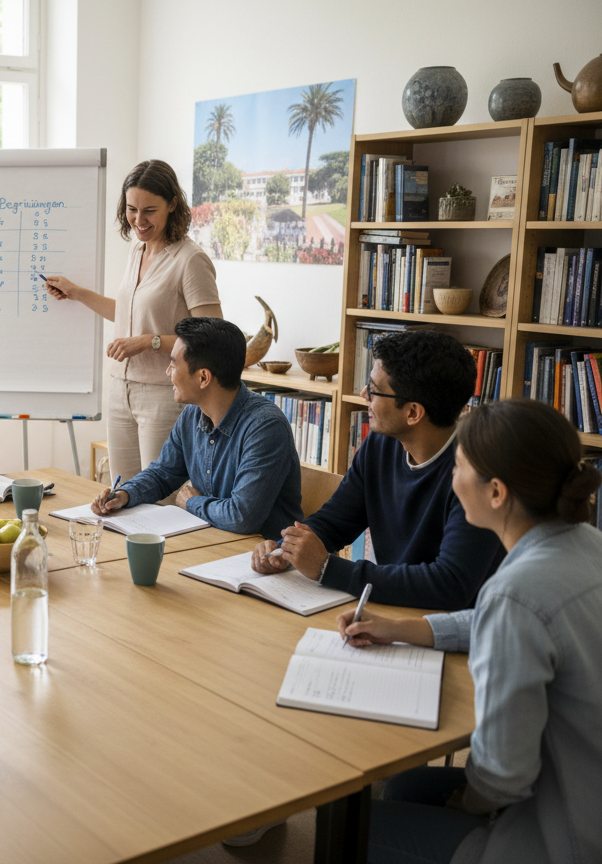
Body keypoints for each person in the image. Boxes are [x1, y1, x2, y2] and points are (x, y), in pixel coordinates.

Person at [337, 399, 602, 864]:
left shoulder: (514, 593)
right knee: (405, 784)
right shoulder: (586, 544)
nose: (450, 480)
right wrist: (401, 628)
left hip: (563, 834)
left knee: (349, 830)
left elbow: (504, 773)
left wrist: (471, 804)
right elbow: (506, 621)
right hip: (582, 783)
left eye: (457, 466)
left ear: (496, 492)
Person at [251, 329, 503, 610]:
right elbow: (336, 521)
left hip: (454, 630)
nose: (363, 394)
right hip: (391, 610)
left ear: (412, 413)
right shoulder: (380, 445)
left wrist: (326, 568)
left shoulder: (478, 473)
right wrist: (285, 545)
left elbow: (450, 584)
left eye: (373, 389)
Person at [43, 159, 222, 483]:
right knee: (122, 492)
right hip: (120, 390)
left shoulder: (190, 260)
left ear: (172, 205)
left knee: (159, 498)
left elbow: (212, 336)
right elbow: (130, 315)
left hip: (164, 394)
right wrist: (76, 293)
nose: (138, 220)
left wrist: (149, 341)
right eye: (131, 209)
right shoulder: (137, 251)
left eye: (149, 210)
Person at [90, 317, 300, 540]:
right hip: (211, 543)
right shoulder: (192, 414)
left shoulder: (265, 427)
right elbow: (163, 473)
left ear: (203, 377)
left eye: (173, 363)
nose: (168, 371)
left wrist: (192, 502)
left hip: (262, 557)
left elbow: (242, 517)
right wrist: (124, 494)